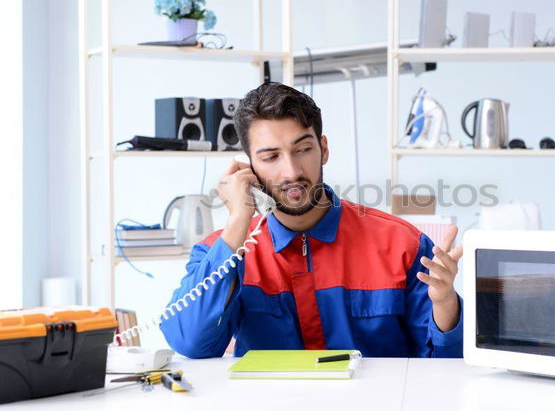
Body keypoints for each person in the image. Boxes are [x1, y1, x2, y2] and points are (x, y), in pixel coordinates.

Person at [160, 82, 463, 358]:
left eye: (303, 149)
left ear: (324, 150)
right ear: (249, 167)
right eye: (270, 158)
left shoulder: (402, 244)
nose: (291, 172)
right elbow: (191, 343)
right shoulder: (223, 250)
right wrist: (239, 219)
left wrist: (445, 303)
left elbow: (443, 366)